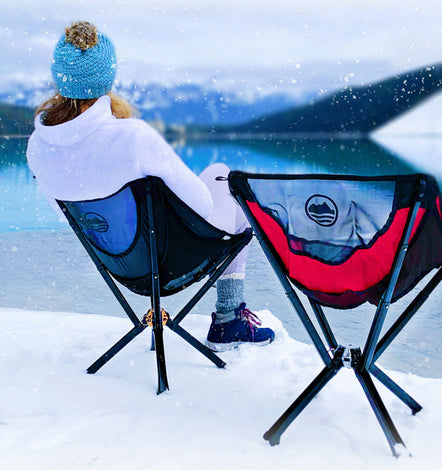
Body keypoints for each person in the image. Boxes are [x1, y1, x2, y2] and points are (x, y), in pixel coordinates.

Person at [26, 21, 274, 352]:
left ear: (61, 78)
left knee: (217, 172)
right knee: (239, 197)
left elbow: (65, 216)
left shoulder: (38, 147)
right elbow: (201, 204)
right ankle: (228, 320)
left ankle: (227, 319)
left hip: (121, 265)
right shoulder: (132, 137)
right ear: (107, 77)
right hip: (169, 263)